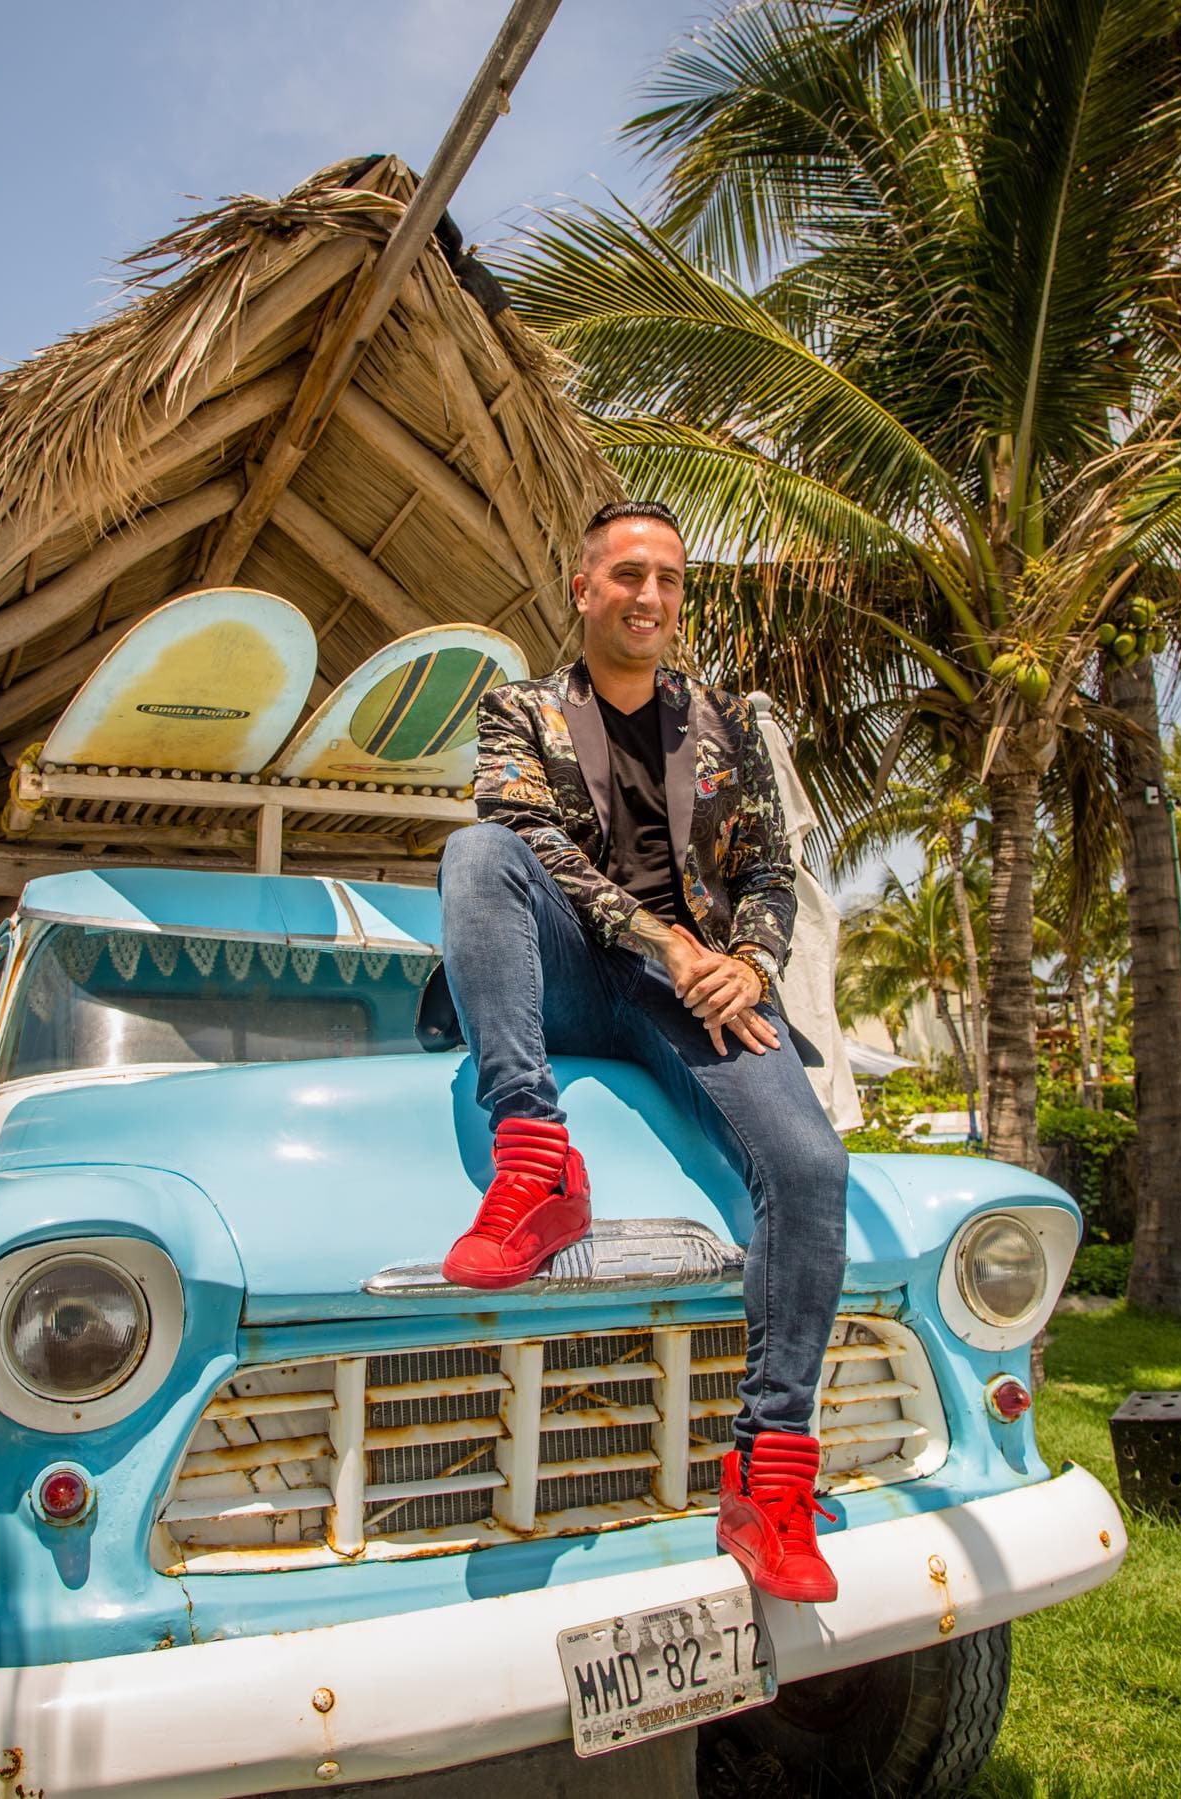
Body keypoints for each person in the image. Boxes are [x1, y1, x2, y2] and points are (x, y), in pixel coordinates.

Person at [435, 500, 849, 1605]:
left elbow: (770, 874)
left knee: (810, 1169)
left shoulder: (725, 721)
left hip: (700, 993)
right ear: (583, 589)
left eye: (667, 576)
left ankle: (771, 1474)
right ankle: (535, 1158)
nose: (649, 595)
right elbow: (528, 843)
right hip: (579, 973)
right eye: (626, 574)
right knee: (475, 850)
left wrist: (748, 966)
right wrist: (665, 939)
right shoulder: (518, 709)